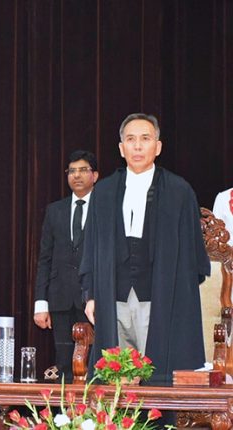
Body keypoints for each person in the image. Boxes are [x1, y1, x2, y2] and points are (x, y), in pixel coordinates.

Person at [80, 113, 210, 383]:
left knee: (157, 377)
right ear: (121, 148)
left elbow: (191, 258)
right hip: (112, 298)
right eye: (130, 139)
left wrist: (178, 297)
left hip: (159, 301)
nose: (137, 146)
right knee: (114, 377)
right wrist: (91, 294)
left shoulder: (179, 191)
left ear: (158, 146)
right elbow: (91, 249)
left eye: (145, 139)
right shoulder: (102, 193)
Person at [34, 150, 98, 381]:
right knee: (64, 363)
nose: (77, 176)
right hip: (60, 299)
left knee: (94, 362)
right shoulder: (55, 210)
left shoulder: (105, 209)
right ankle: (67, 415)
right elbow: (45, 258)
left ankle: (96, 416)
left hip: (93, 299)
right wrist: (41, 303)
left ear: (95, 175)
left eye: (83, 170)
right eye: (72, 171)